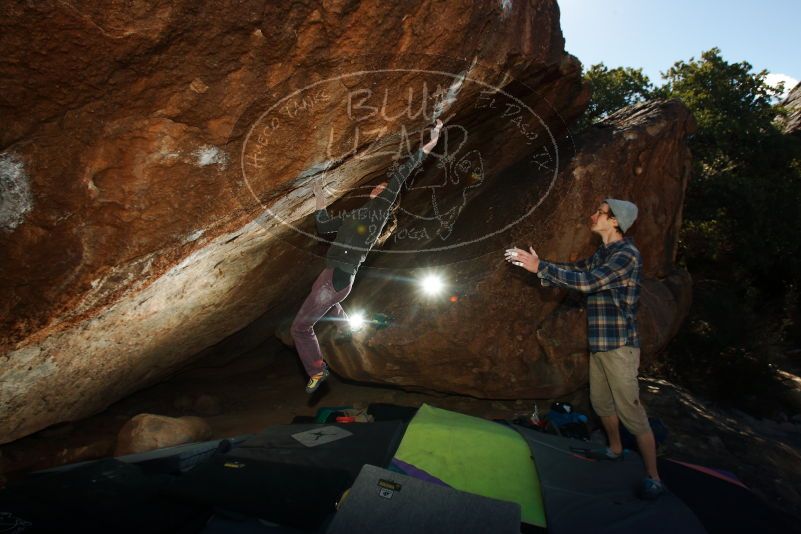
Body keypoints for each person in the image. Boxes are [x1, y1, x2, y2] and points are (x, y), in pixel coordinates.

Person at [505, 198, 665, 500]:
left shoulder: (626, 255)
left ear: (615, 221)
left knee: (631, 411)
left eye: (600, 212)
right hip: (600, 344)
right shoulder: (603, 253)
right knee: (601, 403)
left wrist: (541, 267)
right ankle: (615, 449)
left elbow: (590, 282)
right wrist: (539, 267)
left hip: (620, 347)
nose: (593, 215)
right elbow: (575, 270)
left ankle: (654, 476)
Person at [292, 119, 444, 394]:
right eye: (379, 186)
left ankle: (317, 370)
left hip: (337, 278)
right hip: (335, 279)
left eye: (384, 188)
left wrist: (430, 144)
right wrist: (319, 196)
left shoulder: (380, 210)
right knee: (330, 304)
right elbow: (325, 226)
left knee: (301, 329)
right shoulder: (355, 216)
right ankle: (347, 326)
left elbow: (402, 175)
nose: (380, 188)